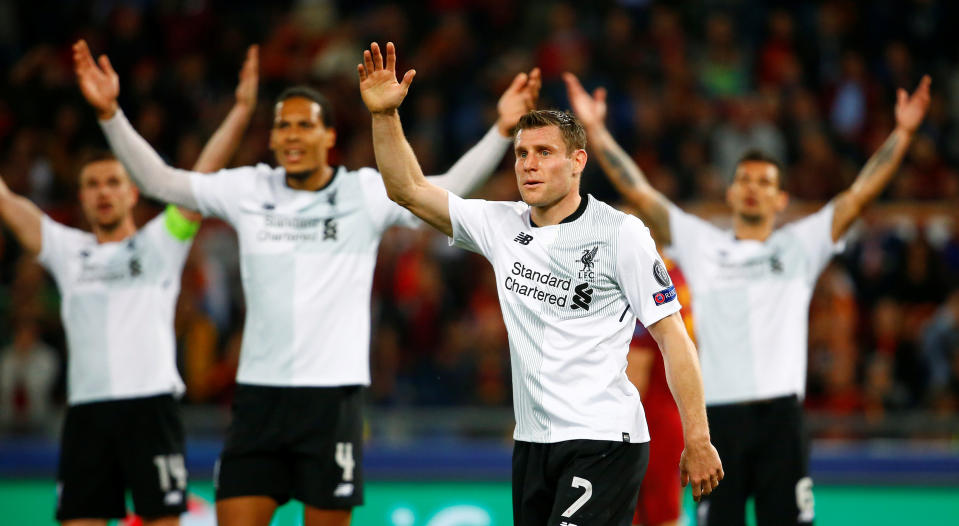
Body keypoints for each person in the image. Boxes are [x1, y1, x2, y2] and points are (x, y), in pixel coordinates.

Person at [73, 38, 540, 526]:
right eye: (282, 126)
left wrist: (501, 130)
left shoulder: (360, 192)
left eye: (304, 125)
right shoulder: (248, 188)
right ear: (272, 139)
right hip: (257, 399)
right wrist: (110, 114)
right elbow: (160, 182)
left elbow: (442, 190)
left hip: (331, 399)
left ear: (328, 137)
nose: (292, 135)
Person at [358, 41, 722, 526]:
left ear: (577, 162)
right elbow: (407, 190)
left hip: (604, 440)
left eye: (544, 152)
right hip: (532, 444)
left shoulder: (621, 234)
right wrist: (385, 116)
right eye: (522, 153)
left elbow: (673, 336)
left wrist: (698, 437)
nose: (528, 164)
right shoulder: (500, 225)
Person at [564, 72, 931, 525]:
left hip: (782, 419)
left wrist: (904, 132)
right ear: (731, 192)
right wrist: (596, 131)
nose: (753, 187)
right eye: (745, 179)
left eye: (764, 181)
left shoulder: (798, 246)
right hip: (716, 424)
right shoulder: (702, 245)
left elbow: (859, 196)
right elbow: (640, 191)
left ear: (780, 199)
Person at [0, 45, 258, 526]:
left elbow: (202, 175)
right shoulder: (65, 249)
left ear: (133, 191)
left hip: (151, 410)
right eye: (92, 184)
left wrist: (241, 112)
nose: (102, 192)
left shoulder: (162, 242)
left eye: (112, 182)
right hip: (86, 416)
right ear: (80, 197)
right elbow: (9, 203)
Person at [626, 259, 690, 526]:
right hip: (671, 416)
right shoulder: (678, 277)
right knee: (666, 516)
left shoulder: (644, 282)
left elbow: (634, 378)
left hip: (644, 425)